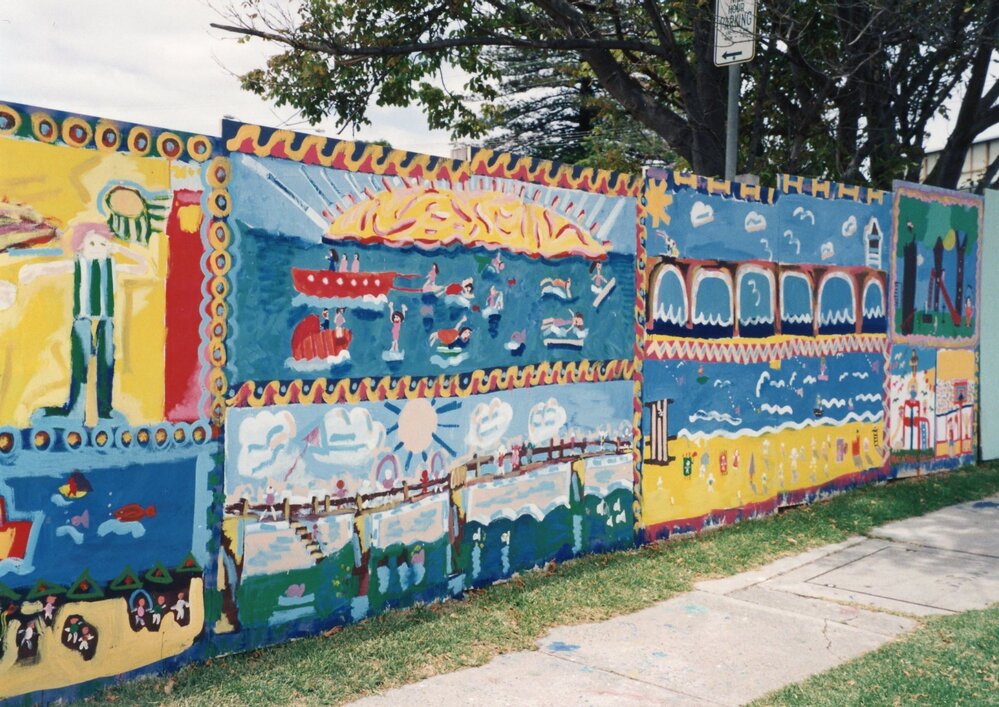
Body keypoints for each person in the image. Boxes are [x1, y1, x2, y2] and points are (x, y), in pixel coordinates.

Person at [19, 222, 151, 421]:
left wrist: (120, 249)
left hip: (105, 322)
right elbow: (53, 268)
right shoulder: (78, 264)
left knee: (106, 363)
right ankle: (75, 410)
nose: (98, 249)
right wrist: (35, 270)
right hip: (83, 321)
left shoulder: (112, 266)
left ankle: (105, 411)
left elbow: (143, 267)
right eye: (92, 244)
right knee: (81, 365)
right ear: (80, 246)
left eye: (103, 244)